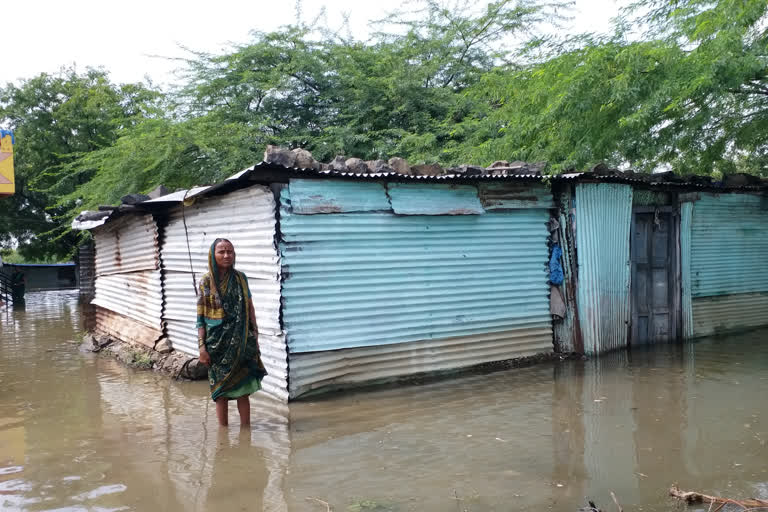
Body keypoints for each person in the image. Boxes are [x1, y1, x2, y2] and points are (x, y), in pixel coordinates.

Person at [196, 239, 267, 427]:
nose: (227, 255)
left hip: (243, 341)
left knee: (244, 390)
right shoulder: (206, 281)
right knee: (221, 394)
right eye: (222, 252)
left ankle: (246, 431)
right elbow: (201, 317)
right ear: (213, 255)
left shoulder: (241, 278)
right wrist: (202, 347)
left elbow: (250, 308)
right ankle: (223, 433)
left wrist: (255, 337)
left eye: (230, 251)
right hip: (216, 345)